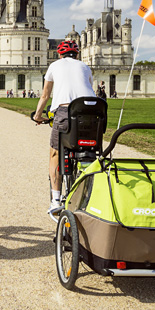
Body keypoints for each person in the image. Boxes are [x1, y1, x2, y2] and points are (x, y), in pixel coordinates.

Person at [33, 40, 96, 215]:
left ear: (60, 55)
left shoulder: (54, 66)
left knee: (55, 153)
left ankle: (55, 200)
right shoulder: (85, 67)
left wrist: (38, 116)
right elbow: (89, 89)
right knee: (91, 148)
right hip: (93, 112)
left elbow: (45, 94)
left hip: (66, 111)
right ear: (77, 55)